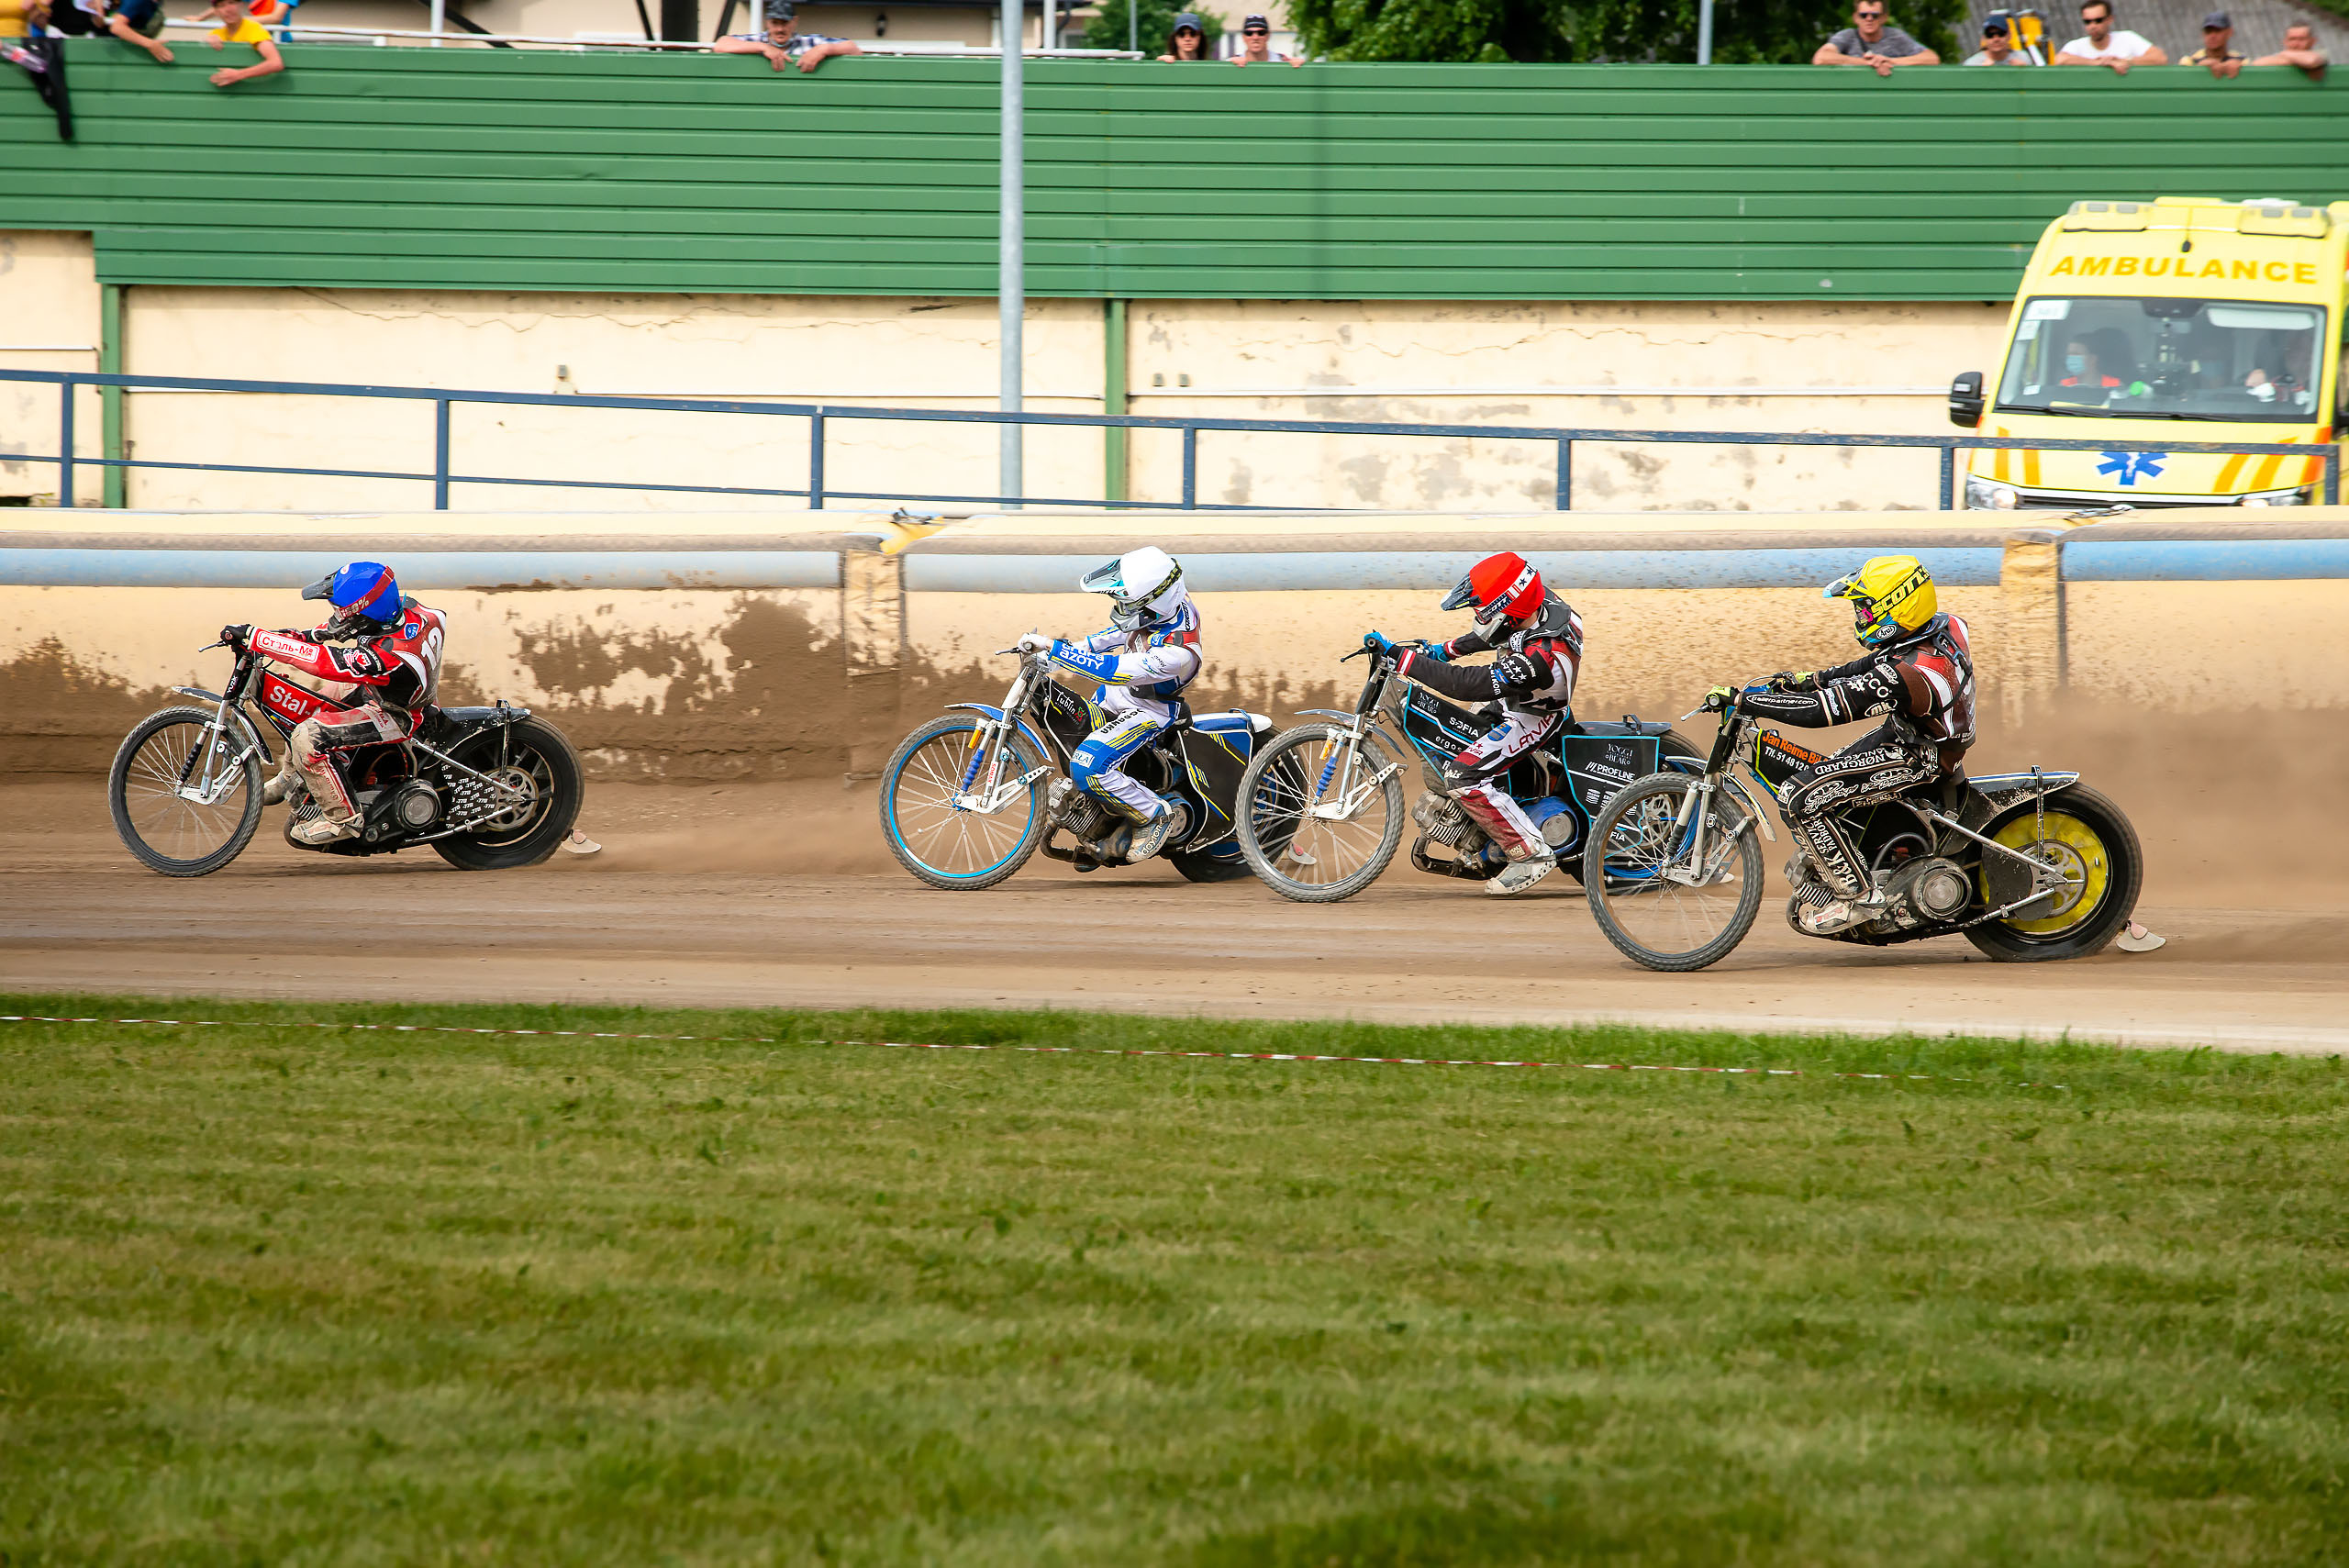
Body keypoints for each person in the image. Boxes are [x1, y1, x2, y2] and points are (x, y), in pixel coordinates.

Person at [1722, 557, 1975, 936]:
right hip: (1909, 734)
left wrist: (1748, 701)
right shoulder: (1945, 626)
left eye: (1866, 608)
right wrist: (1808, 680)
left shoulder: (1911, 674)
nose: (1861, 616)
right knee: (1828, 779)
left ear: (1899, 605)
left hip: (1921, 756)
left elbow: (1823, 712)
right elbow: (1872, 665)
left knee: (1798, 796)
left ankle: (1859, 897)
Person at [1361, 551, 1586, 896]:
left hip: (1535, 717)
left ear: (1509, 609)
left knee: (1462, 775)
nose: (1479, 616)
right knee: (1458, 734)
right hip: (1518, 698)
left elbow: (1465, 684)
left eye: (1484, 611)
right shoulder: (1539, 604)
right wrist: (1442, 651)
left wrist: (1404, 659)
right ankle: (1489, 826)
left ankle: (1530, 853)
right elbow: (1497, 632)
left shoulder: (1542, 656)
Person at [222, 562, 448, 847]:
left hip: (397, 714)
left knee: (307, 736)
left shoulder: (389, 654)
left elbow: (324, 662)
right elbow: (330, 633)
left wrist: (258, 638)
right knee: (312, 706)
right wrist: (294, 637)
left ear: (365, 612)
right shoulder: (406, 610)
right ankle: (290, 776)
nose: (337, 615)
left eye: (343, 610)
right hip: (383, 689)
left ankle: (343, 819)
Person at [1014, 547, 1202, 866]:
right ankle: (1100, 823)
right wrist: (1072, 649)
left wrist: (1054, 648)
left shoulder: (1177, 652)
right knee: (1071, 737)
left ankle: (1155, 814)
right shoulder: (1166, 604)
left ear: (1153, 603)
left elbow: (1110, 669)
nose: (1120, 608)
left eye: (1127, 603)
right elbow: (1118, 634)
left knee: (1087, 766)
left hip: (1149, 712)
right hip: (1116, 696)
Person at [714, 0, 860, 74]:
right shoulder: (757, 40)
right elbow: (721, 44)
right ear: (767, 22)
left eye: (784, 23)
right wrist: (762, 47)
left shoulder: (809, 42)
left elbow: (854, 49)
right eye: (775, 23)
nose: (780, 29)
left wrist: (824, 49)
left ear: (794, 22)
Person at [1813, 4, 1940, 75]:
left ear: (1884, 18)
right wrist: (1869, 63)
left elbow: (1932, 58)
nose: (1869, 19)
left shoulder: (1895, 36)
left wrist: (1891, 61)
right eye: (1863, 15)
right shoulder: (1847, 36)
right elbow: (1821, 58)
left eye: (1875, 15)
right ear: (1855, 18)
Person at [34, 0, 172, 62]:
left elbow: (99, 22)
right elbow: (117, 27)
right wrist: (149, 44)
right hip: (111, 53)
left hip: (117, 52)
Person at [2054, 2, 2165, 71]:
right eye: (2087, 22)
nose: (2092, 26)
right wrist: (2097, 63)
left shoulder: (2127, 38)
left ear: (2110, 19)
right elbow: (2059, 59)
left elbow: (2160, 58)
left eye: (2098, 20)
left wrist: (2126, 61)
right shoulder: (2076, 45)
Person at [198, 0, 284, 88]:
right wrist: (208, 40)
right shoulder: (216, 33)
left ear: (241, 5)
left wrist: (238, 74)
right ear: (216, 11)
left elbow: (275, 63)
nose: (228, 9)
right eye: (221, 5)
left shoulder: (253, 28)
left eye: (231, 3)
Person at [2179, 11, 2243, 76]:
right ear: (2203, 34)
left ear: (2229, 32)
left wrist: (2241, 67)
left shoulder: (2241, 60)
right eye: (2208, 31)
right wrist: (2200, 67)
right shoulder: (2190, 61)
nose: (2212, 36)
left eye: (2217, 30)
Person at [2254, 22, 2326, 76]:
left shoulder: (2321, 54)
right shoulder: (2283, 56)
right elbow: (2256, 63)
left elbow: (2310, 61)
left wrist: (2284, 54)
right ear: (2285, 41)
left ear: (2313, 41)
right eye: (2292, 39)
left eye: (2301, 39)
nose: (2296, 44)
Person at [1231, 13, 1299, 66]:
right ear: (1243, 37)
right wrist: (1231, 67)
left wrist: (1300, 68)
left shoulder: (1283, 63)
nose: (1255, 38)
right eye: (1249, 33)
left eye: (1261, 33)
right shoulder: (1231, 64)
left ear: (1268, 35)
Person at [1963, 17, 2032, 63]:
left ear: (2009, 35)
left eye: (2001, 34)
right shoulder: (1973, 64)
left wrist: (2024, 72)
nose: (1996, 39)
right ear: (1983, 38)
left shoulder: (2022, 57)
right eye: (1990, 35)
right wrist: (1981, 73)